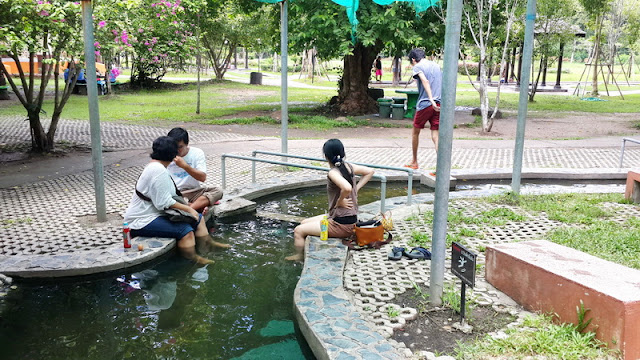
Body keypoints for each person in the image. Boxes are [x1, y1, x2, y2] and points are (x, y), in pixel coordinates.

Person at [124, 136, 230, 265]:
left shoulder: (156, 167)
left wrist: (190, 209)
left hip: (154, 214)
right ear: (173, 154)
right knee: (185, 231)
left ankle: (208, 243)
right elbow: (164, 203)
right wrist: (189, 208)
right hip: (141, 220)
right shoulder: (158, 170)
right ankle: (192, 258)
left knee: (199, 218)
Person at [286, 139, 374, 261]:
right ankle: (305, 250)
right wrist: (356, 189)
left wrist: (340, 200)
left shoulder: (333, 173)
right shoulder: (349, 166)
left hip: (341, 225)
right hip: (343, 219)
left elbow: (347, 188)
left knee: (298, 231)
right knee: (304, 222)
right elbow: (370, 171)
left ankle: (299, 257)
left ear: (326, 156)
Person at [167, 127, 223, 215]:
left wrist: (185, 166)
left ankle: (188, 208)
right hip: (176, 193)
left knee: (218, 191)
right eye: (174, 147)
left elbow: (202, 178)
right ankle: (197, 207)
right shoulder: (166, 154)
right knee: (166, 199)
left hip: (194, 191)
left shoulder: (196, 153)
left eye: (180, 147)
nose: (177, 151)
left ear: (187, 143)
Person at [404, 48, 442, 172]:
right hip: (439, 104)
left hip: (426, 104)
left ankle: (414, 161)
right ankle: (441, 168)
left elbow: (425, 81)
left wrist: (430, 99)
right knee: (435, 135)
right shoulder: (436, 66)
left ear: (413, 60)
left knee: (415, 131)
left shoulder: (417, 67)